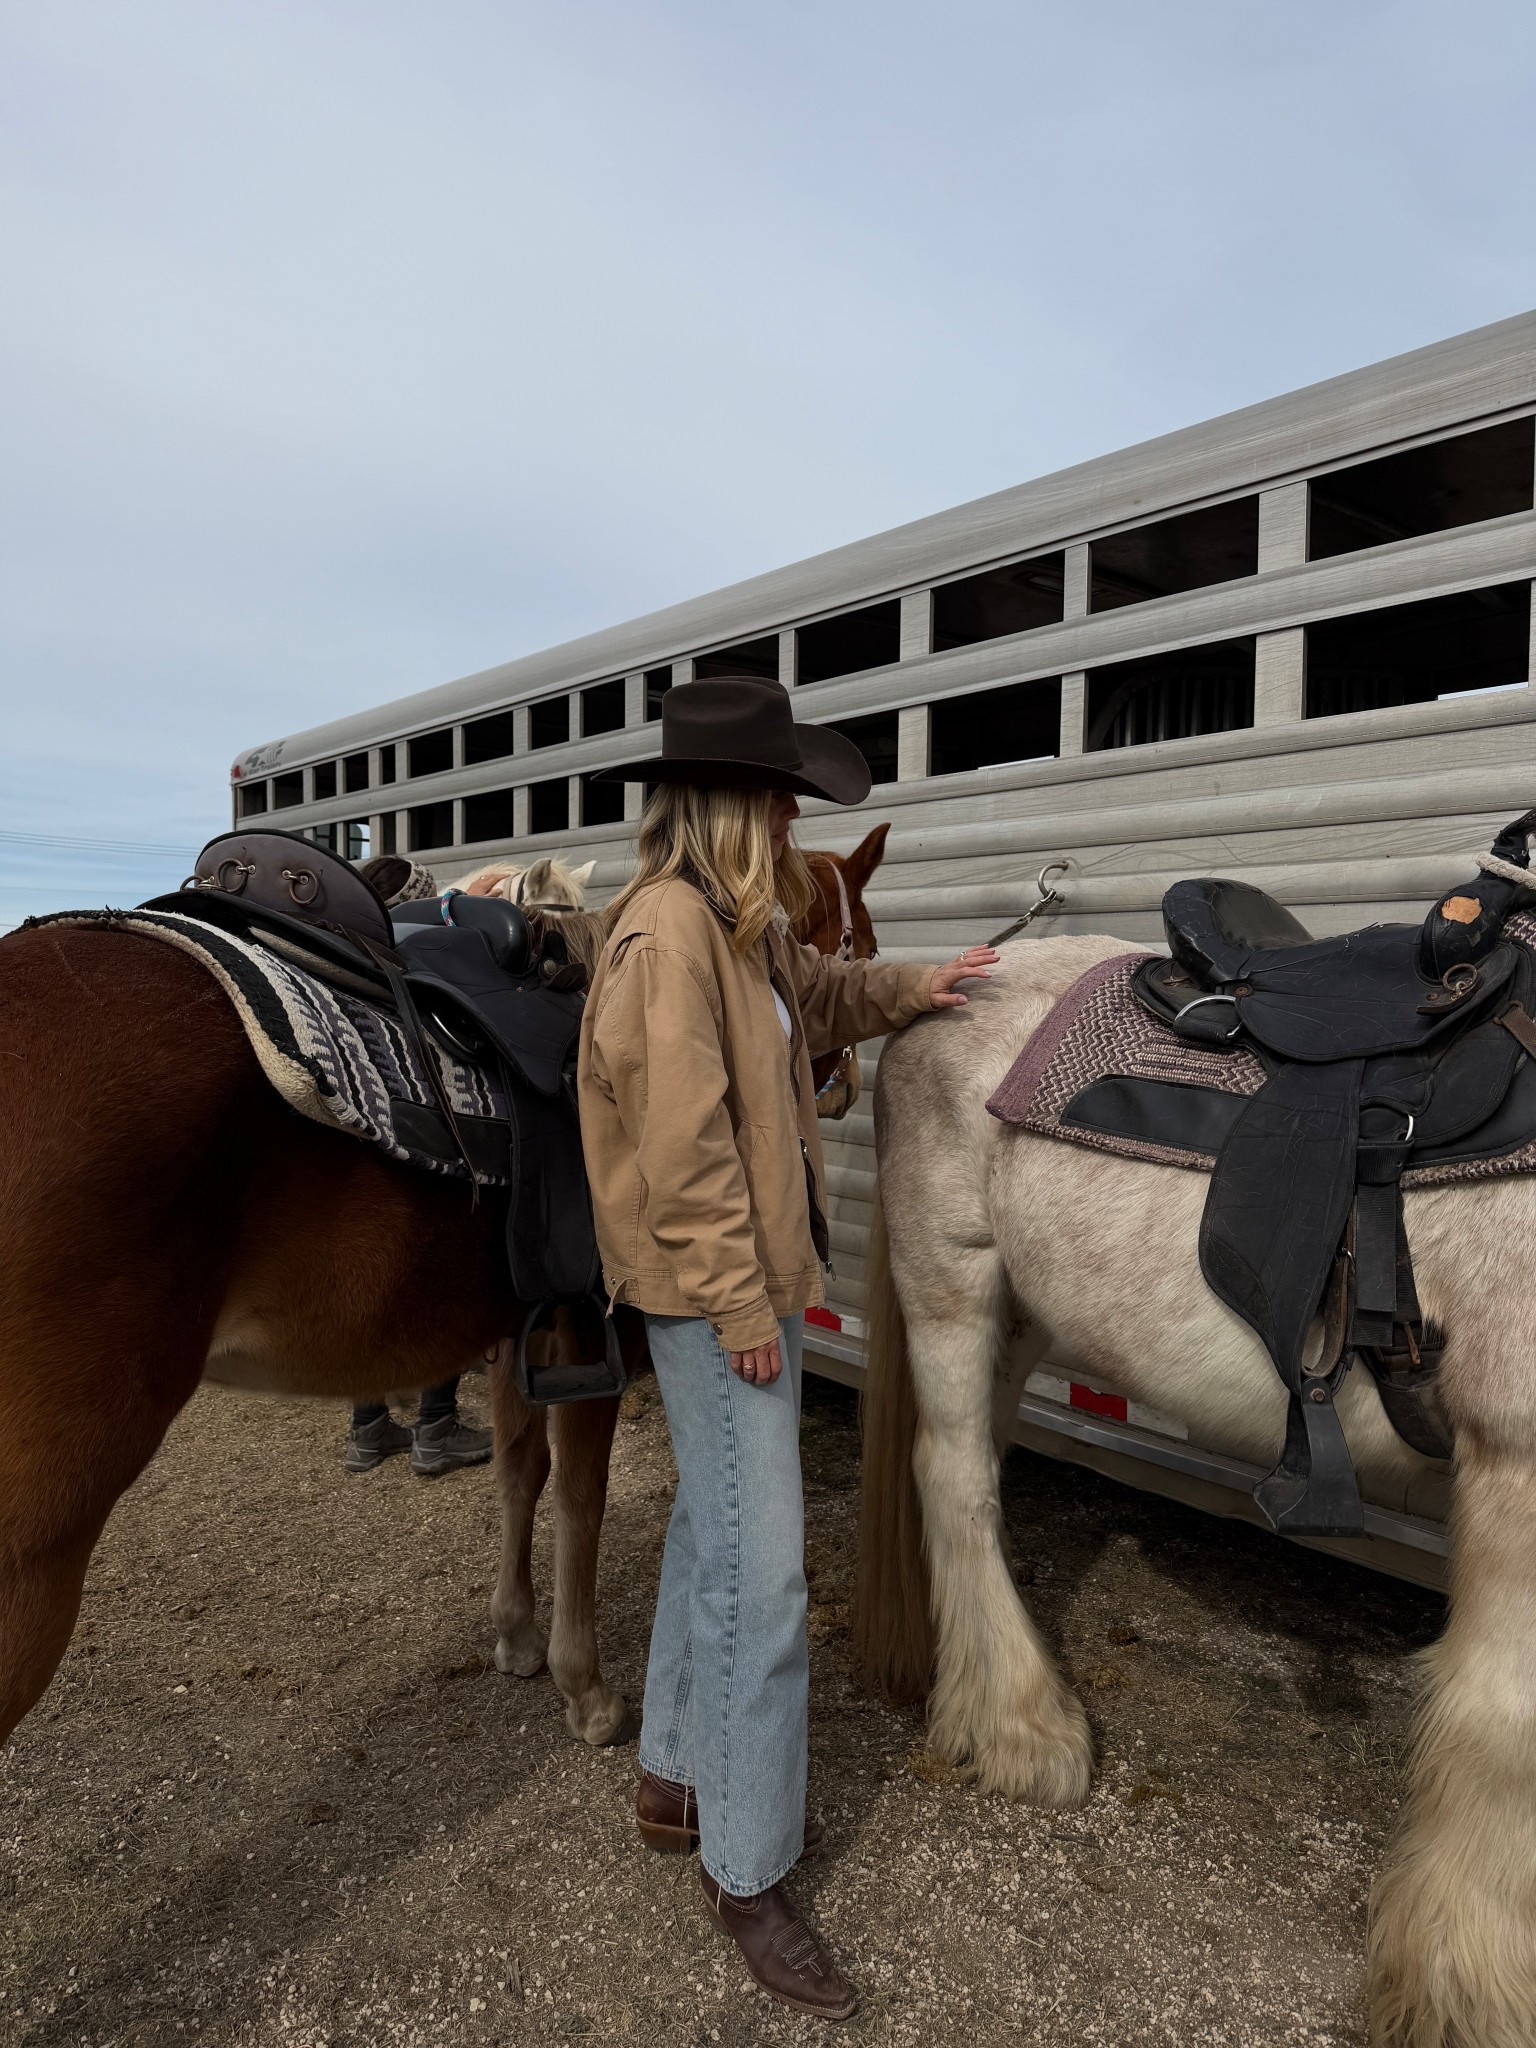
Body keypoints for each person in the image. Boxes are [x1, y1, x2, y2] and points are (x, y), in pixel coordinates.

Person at [577, 677, 997, 2020]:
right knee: (763, 1586)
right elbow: (683, 1146)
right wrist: (746, 1309)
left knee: (711, 1532)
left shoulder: (739, 930)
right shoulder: (668, 937)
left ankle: (672, 1780)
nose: (787, 822)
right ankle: (746, 1870)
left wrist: (922, 985)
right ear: (728, 805)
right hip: (717, 1295)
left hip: (736, 1286)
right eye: (775, 799)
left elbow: (821, 996)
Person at [342, 854, 493, 1479]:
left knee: (373, 1293)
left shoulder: (341, 964)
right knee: (442, 1271)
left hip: (359, 1138)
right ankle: (437, 1426)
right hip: (420, 1130)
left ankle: (368, 1429)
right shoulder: (415, 966)